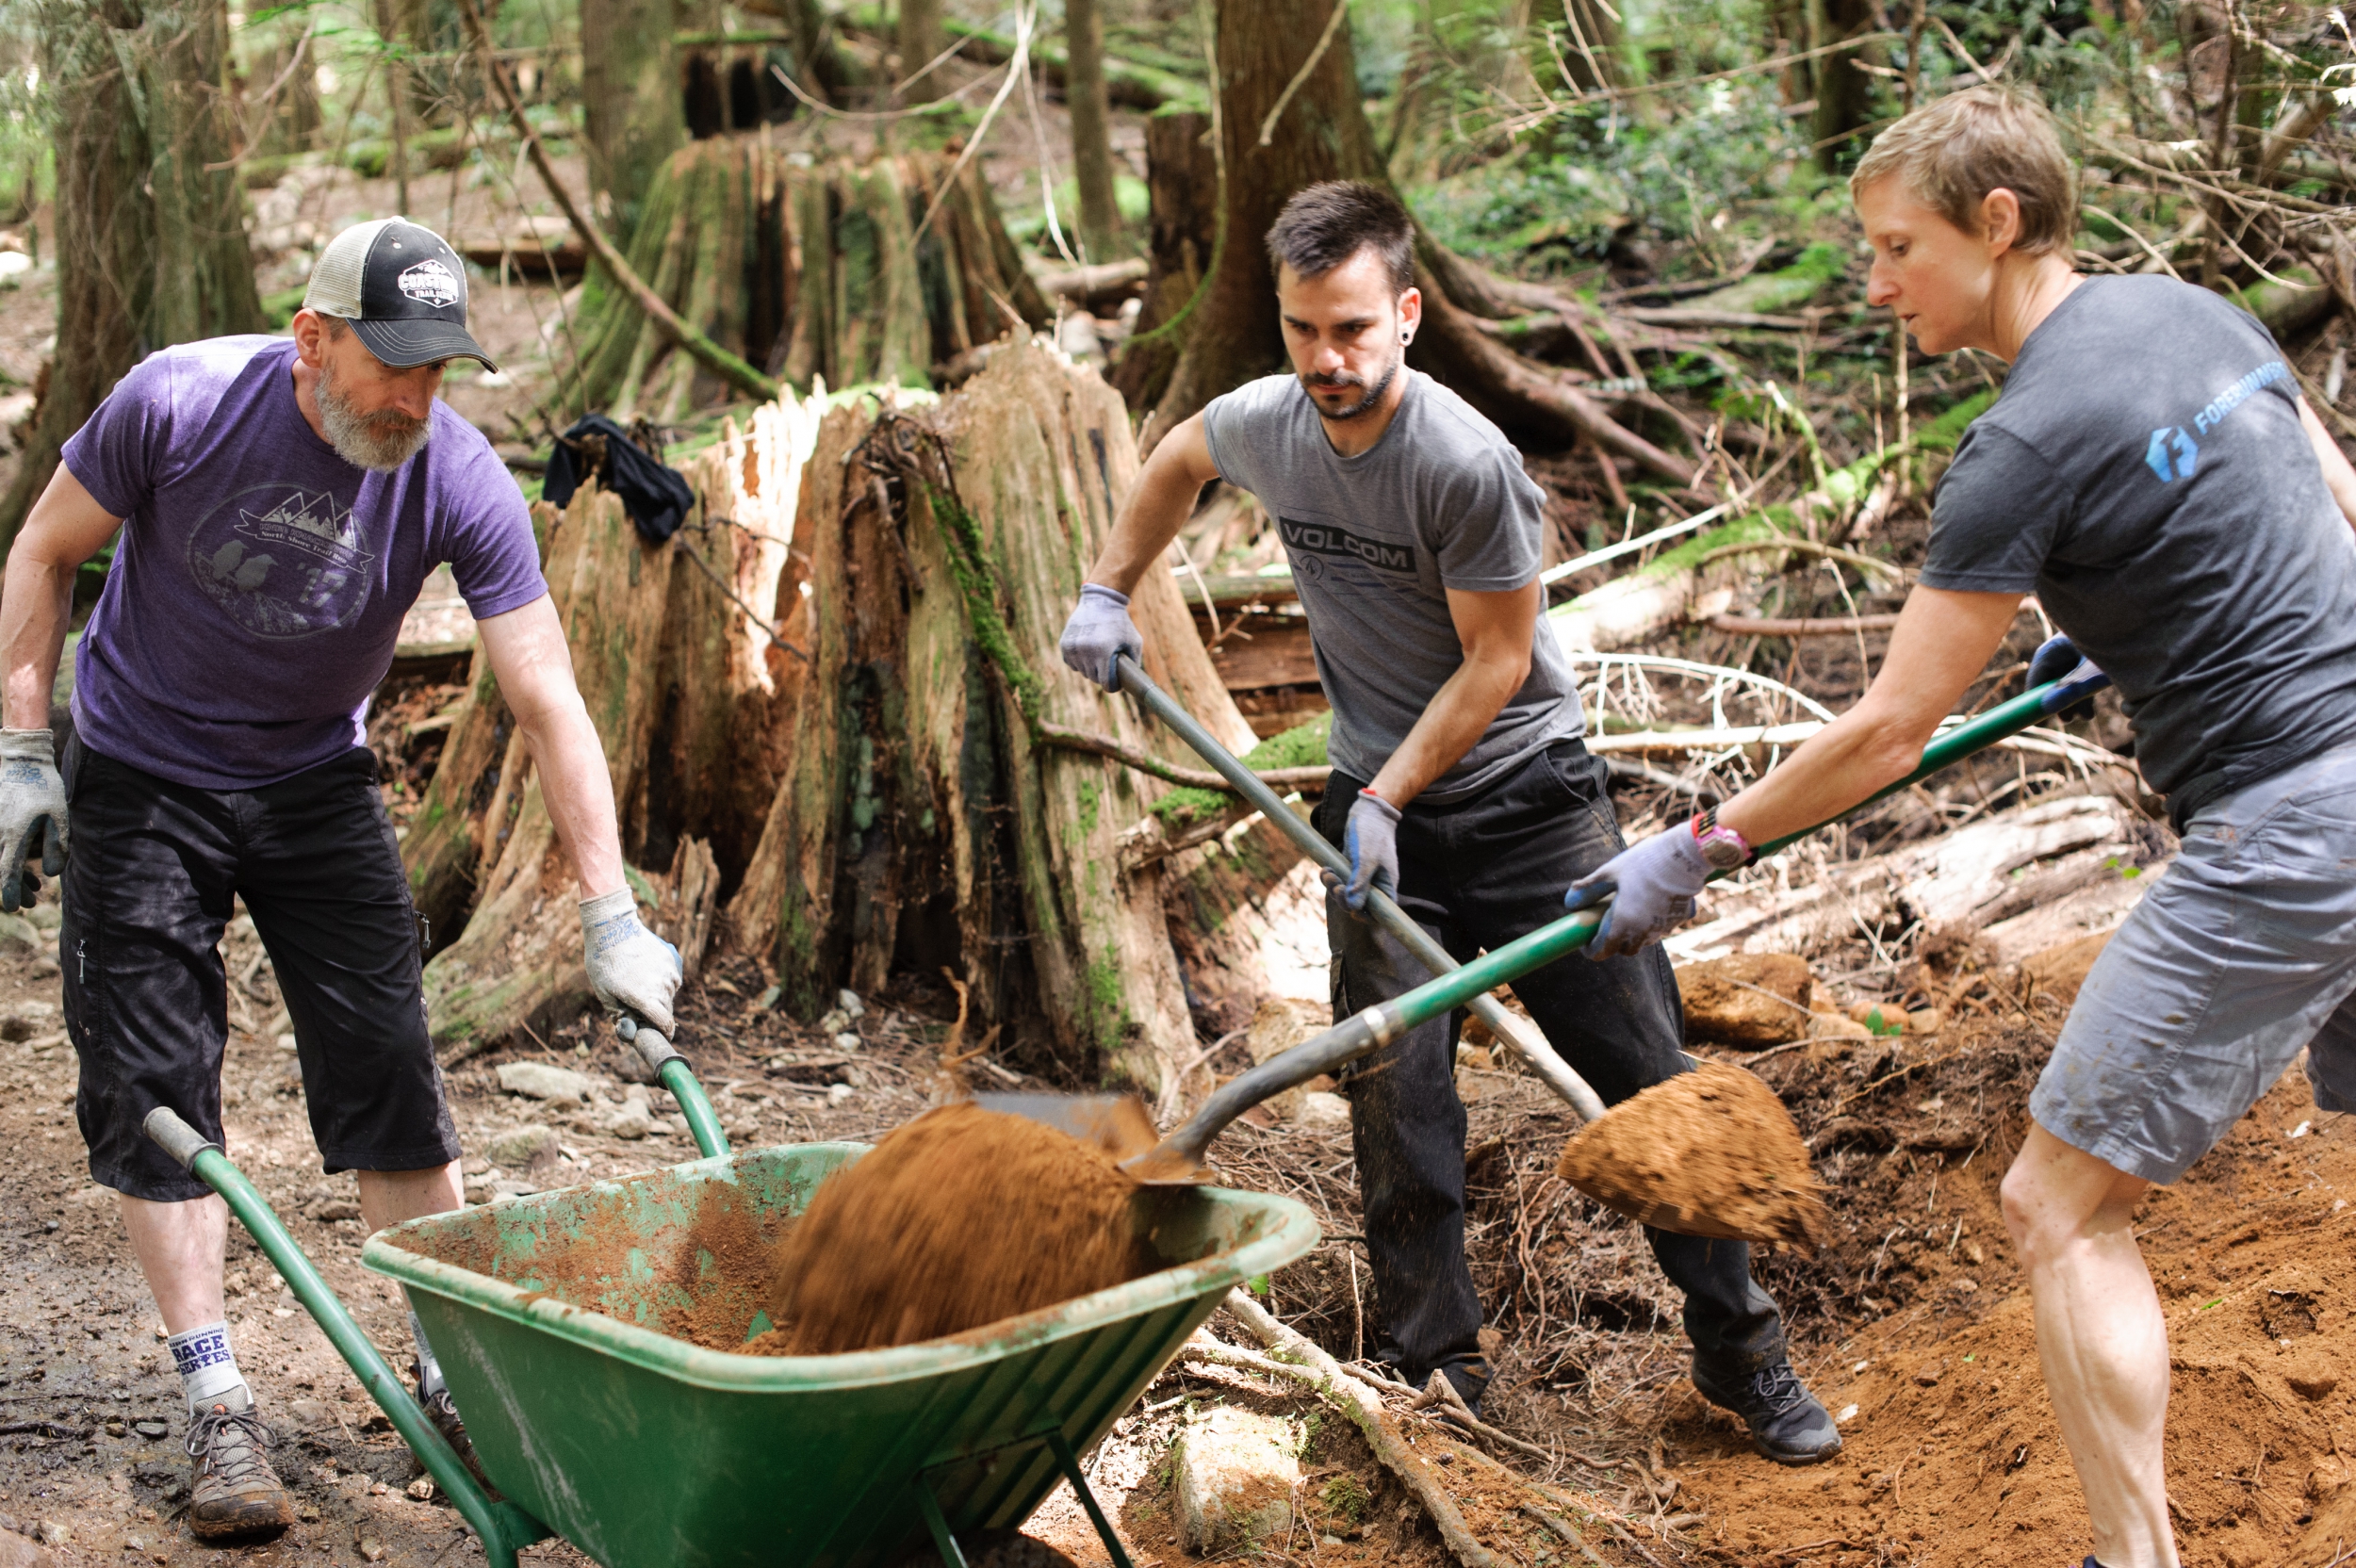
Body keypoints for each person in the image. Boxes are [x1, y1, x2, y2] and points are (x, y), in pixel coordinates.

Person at [1567, 87, 2356, 1568]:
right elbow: (2331, 507)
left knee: (2057, 1210)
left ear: (1997, 226)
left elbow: (1887, 729)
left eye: (1895, 246)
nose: (1874, 282)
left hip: (2289, 831)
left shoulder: (2022, 442)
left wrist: (1692, 849)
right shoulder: (2197, 313)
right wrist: (2129, 629)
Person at [1058, 181, 1842, 1463]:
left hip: (1530, 808)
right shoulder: (1270, 420)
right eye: (1307, 330)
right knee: (1400, 1105)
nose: (1330, 360)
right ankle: (1440, 1377)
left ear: (1410, 316)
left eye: (1356, 329)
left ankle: (1742, 1356)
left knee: (1643, 1081)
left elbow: (1493, 665)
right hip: (1380, 826)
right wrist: (1107, 587)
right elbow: (1172, 462)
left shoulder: (1466, 462)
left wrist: (1381, 795)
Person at [0, 218, 683, 1543]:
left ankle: (453, 1380)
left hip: (316, 780)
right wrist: (24, 751)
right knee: (155, 1081)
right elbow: (41, 553)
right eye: (395, 368)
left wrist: (612, 918)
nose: (419, 399)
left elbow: (548, 702)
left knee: (389, 1066)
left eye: (441, 371)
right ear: (312, 340)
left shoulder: (458, 476)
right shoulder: (179, 402)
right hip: (142, 768)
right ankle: (216, 1402)